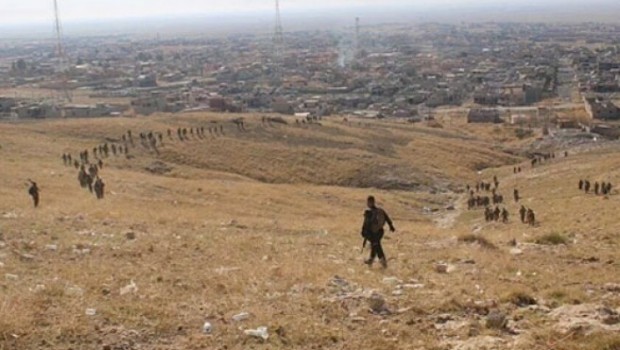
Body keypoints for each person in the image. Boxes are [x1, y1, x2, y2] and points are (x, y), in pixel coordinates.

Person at [361, 196, 395, 269]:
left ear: (369, 202)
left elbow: (366, 223)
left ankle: (383, 263)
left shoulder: (368, 212)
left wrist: (364, 232)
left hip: (373, 233)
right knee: (375, 245)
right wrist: (391, 226)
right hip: (380, 231)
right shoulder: (380, 210)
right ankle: (371, 260)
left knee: (377, 246)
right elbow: (387, 218)